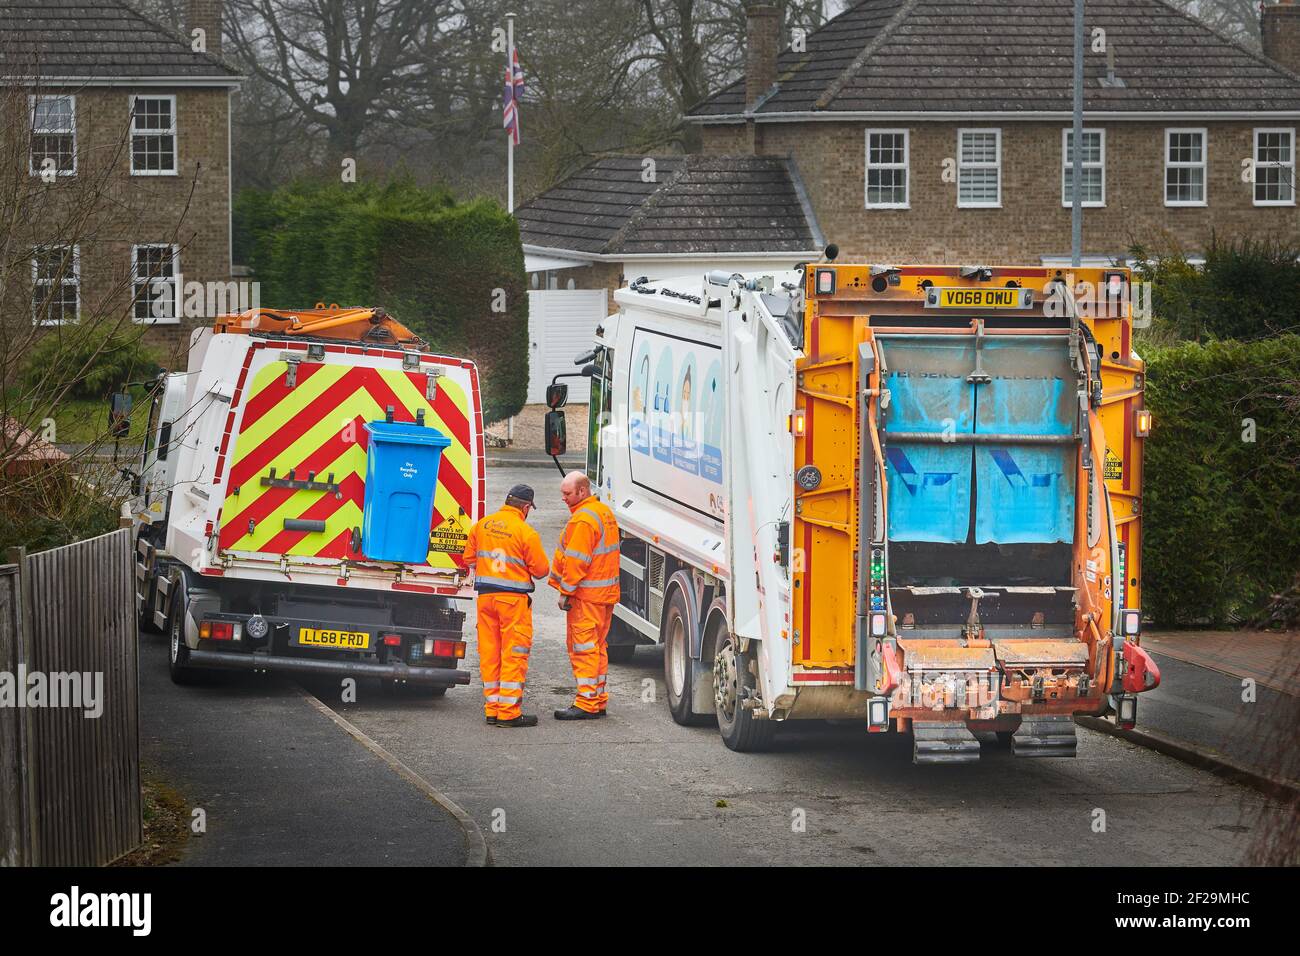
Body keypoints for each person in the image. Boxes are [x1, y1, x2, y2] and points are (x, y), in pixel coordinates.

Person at [461, 484, 549, 727]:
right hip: (513, 601)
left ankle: (492, 709)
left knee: (490, 654)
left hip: (486, 599)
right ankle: (508, 713)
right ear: (526, 506)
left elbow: (468, 558)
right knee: (513, 654)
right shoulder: (525, 532)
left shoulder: (482, 525)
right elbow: (542, 571)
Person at [548, 471, 621, 720]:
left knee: (583, 649)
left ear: (582, 491)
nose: (563, 498)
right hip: (603, 595)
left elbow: (577, 561)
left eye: (567, 493)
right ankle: (597, 699)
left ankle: (586, 702)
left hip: (586, 597)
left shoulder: (583, 520)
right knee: (598, 647)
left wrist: (565, 592)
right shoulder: (603, 513)